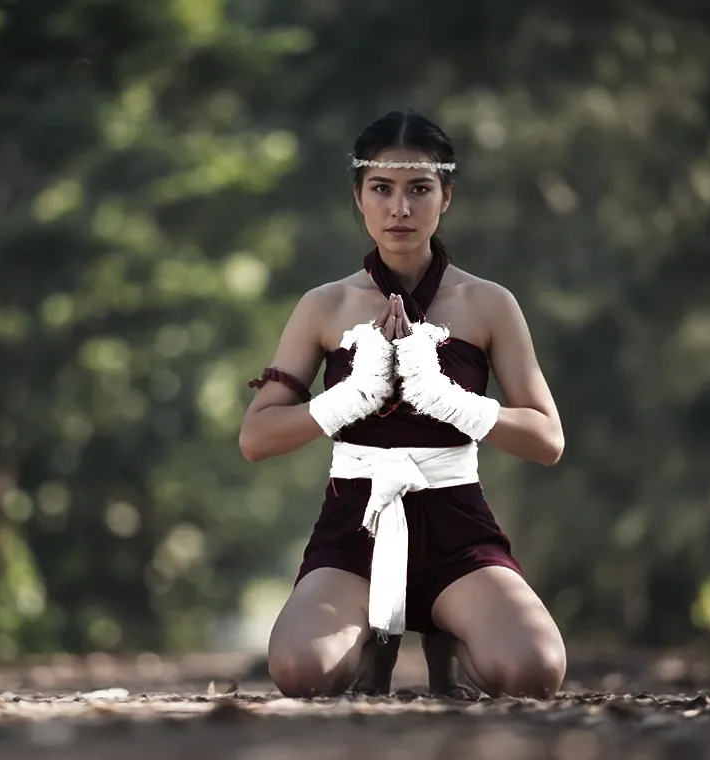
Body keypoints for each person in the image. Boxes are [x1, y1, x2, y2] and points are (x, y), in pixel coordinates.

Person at [240, 109, 567, 700]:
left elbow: (548, 440)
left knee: (534, 671)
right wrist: (345, 400)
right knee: (299, 671)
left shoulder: (489, 304)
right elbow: (256, 439)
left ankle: (452, 639)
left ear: (447, 197)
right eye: (381, 189)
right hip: (354, 525)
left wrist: (451, 401)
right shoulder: (324, 305)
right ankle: (373, 642)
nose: (400, 208)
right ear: (357, 198)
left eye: (419, 189)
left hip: (457, 524)